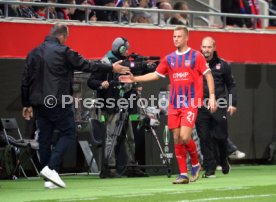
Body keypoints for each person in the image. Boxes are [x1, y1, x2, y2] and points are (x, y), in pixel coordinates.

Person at [21, 23, 129, 189]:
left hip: (38, 103)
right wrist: (111, 67)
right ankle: (51, 169)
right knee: (69, 133)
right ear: (62, 36)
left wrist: (26, 103)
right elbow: (86, 65)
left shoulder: (32, 53)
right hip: (58, 101)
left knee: (44, 138)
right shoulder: (64, 51)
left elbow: (25, 80)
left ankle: (49, 179)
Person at [119, 26, 217, 184]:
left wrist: (212, 97)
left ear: (186, 38)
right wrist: (135, 79)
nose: (175, 39)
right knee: (177, 138)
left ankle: (195, 162)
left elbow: (208, 75)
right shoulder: (169, 58)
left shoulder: (196, 56)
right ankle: (183, 175)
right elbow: (155, 75)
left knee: (185, 136)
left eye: (178, 36)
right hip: (174, 104)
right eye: (174, 36)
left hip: (191, 102)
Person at [87, 37, 148, 178]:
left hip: (124, 104)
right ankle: (110, 168)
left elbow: (126, 82)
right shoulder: (105, 62)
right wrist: (102, 83)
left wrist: (134, 87)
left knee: (130, 136)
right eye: (126, 49)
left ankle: (131, 166)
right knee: (111, 136)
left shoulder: (125, 64)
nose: (127, 51)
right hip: (110, 105)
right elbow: (91, 81)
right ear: (120, 49)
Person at [196, 36, 237, 178]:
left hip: (219, 105)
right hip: (200, 105)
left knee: (221, 137)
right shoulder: (195, 63)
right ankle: (210, 169)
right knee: (204, 137)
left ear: (214, 48)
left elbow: (231, 85)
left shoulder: (223, 65)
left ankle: (224, 160)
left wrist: (232, 103)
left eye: (209, 47)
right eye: (204, 47)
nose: (206, 50)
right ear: (201, 48)